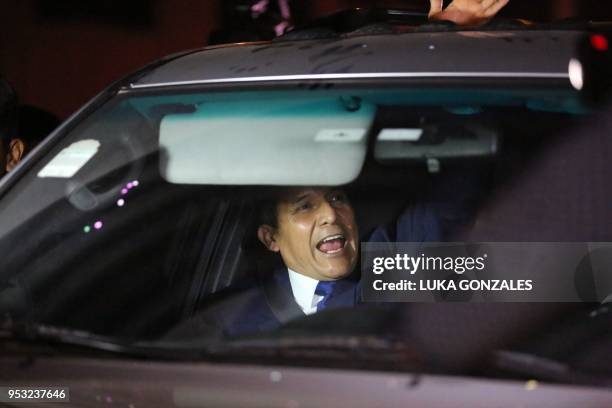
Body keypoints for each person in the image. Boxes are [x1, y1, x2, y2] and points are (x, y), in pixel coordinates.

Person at [165, 0, 507, 340]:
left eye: (337, 196)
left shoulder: (394, 273)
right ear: (271, 237)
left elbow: (457, 177)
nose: (331, 213)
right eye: (304, 205)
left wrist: (440, 54)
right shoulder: (227, 319)